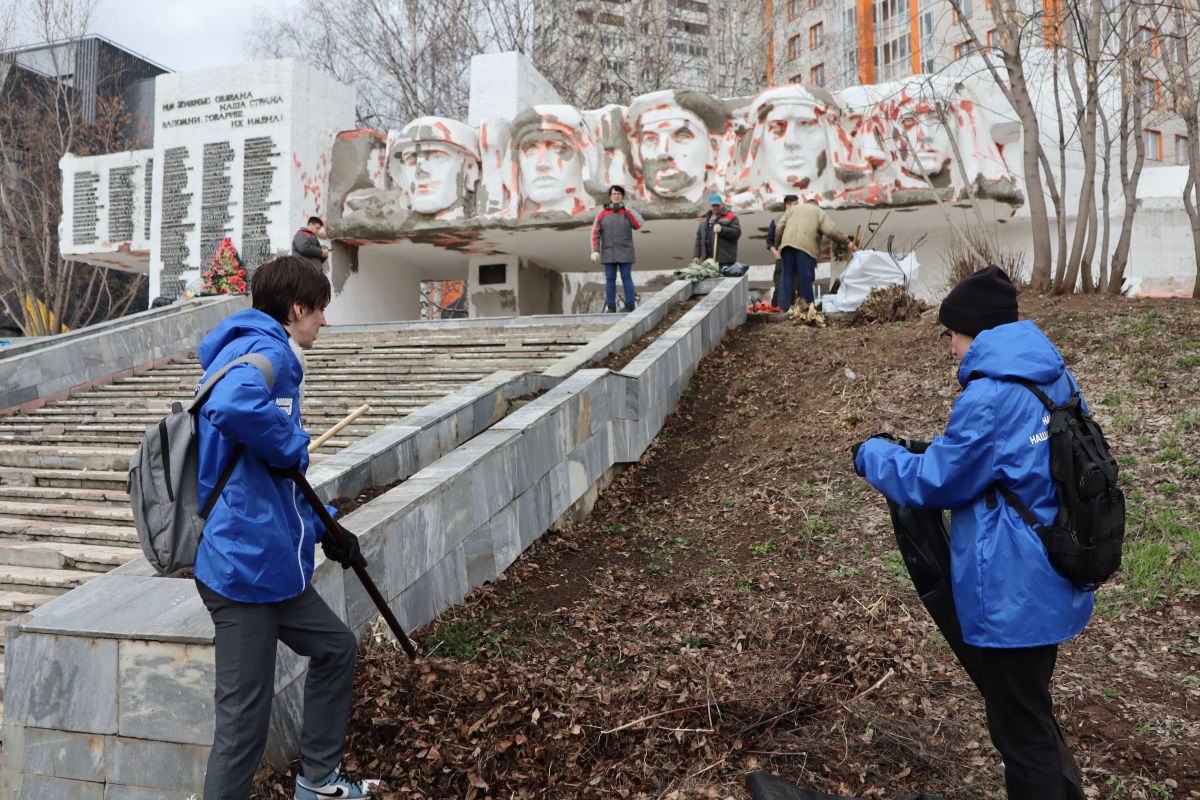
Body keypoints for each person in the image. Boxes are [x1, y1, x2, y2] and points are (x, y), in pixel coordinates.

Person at [852, 266, 1090, 800]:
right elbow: (1003, 459)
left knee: (1021, 734)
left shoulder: (990, 395)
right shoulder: (1051, 375)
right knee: (1030, 710)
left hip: (1014, 590)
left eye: (953, 335)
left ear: (976, 332)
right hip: (1056, 571)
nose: (952, 349)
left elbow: (935, 481)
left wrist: (872, 454)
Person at [193, 255, 376, 800]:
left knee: (336, 647)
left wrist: (325, 529)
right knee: (243, 724)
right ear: (296, 309)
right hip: (242, 571)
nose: (323, 321)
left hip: (268, 563)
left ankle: (317, 781)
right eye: (319, 309)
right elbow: (232, 406)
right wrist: (292, 442)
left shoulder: (248, 349)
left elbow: (267, 480)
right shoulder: (272, 351)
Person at [773, 198, 854, 311]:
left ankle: (783, 309)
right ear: (817, 205)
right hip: (806, 248)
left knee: (786, 279)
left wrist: (778, 244)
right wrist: (847, 242)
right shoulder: (818, 211)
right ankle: (809, 310)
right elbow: (831, 230)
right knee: (804, 280)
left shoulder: (792, 209)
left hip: (787, 247)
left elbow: (779, 227)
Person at [590, 184, 644, 312]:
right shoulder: (602, 213)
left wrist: (629, 208)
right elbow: (595, 233)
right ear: (610, 196)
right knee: (610, 279)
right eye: (614, 194)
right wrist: (595, 250)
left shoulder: (627, 212)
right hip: (609, 251)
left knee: (626, 277)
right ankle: (611, 307)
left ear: (622, 196)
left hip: (626, 250)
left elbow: (637, 224)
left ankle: (630, 305)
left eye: (619, 194)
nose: (616, 196)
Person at [766, 195, 799, 308]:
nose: (797, 207)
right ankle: (776, 312)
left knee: (794, 286)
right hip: (782, 259)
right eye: (795, 204)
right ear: (787, 205)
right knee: (780, 286)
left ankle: (792, 313)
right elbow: (769, 241)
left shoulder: (800, 220)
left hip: (796, 258)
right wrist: (776, 254)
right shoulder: (776, 220)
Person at [692, 193, 741, 268]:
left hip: (724, 261)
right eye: (713, 205)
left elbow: (736, 233)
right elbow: (699, 239)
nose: (715, 207)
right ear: (710, 206)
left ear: (721, 205)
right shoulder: (704, 219)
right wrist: (696, 255)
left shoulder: (731, 217)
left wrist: (722, 230)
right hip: (707, 260)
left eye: (717, 205)